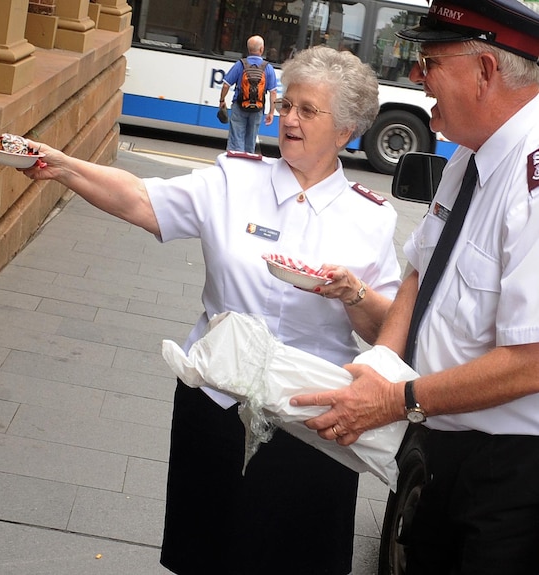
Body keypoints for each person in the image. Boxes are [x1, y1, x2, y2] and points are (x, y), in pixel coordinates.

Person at [23, 45, 402, 575]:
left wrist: (353, 293)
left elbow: (386, 327)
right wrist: (62, 167)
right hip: (217, 402)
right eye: (286, 104)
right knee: (205, 553)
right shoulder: (234, 179)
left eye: (307, 110)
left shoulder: (372, 218)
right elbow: (141, 199)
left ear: (345, 130)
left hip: (314, 416)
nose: (288, 118)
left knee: (296, 559)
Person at [290, 0, 539, 573]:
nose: (416, 77)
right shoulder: (470, 157)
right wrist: (379, 364)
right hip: (439, 435)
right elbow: (420, 271)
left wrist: (395, 399)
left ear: (485, 71)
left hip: (510, 473)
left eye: (429, 61)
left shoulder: (531, 180)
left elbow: (530, 361)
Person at [219, 35, 278, 154]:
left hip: (239, 106)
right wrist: (271, 112)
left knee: (236, 138)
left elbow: (226, 85)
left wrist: (222, 100)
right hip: (257, 109)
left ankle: (235, 164)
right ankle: (247, 164)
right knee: (251, 141)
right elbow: (273, 92)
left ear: (248, 49)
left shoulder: (240, 64)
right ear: (261, 49)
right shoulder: (268, 68)